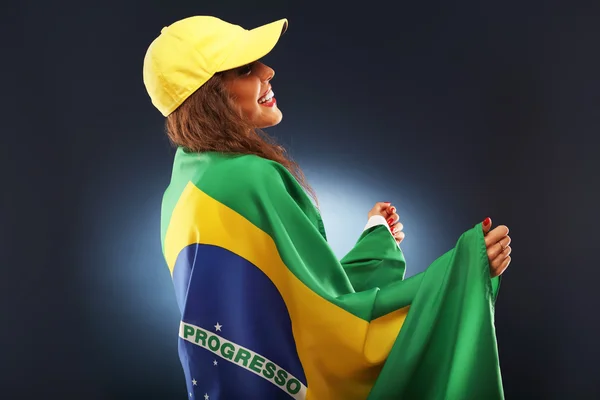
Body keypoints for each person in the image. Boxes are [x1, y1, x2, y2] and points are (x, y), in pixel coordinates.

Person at [143, 15, 512, 400]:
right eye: (246, 69)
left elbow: (295, 303)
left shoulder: (181, 191)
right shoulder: (251, 178)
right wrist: (463, 269)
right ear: (209, 95)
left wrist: (375, 246)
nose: (268, 71)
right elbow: (332, 328)